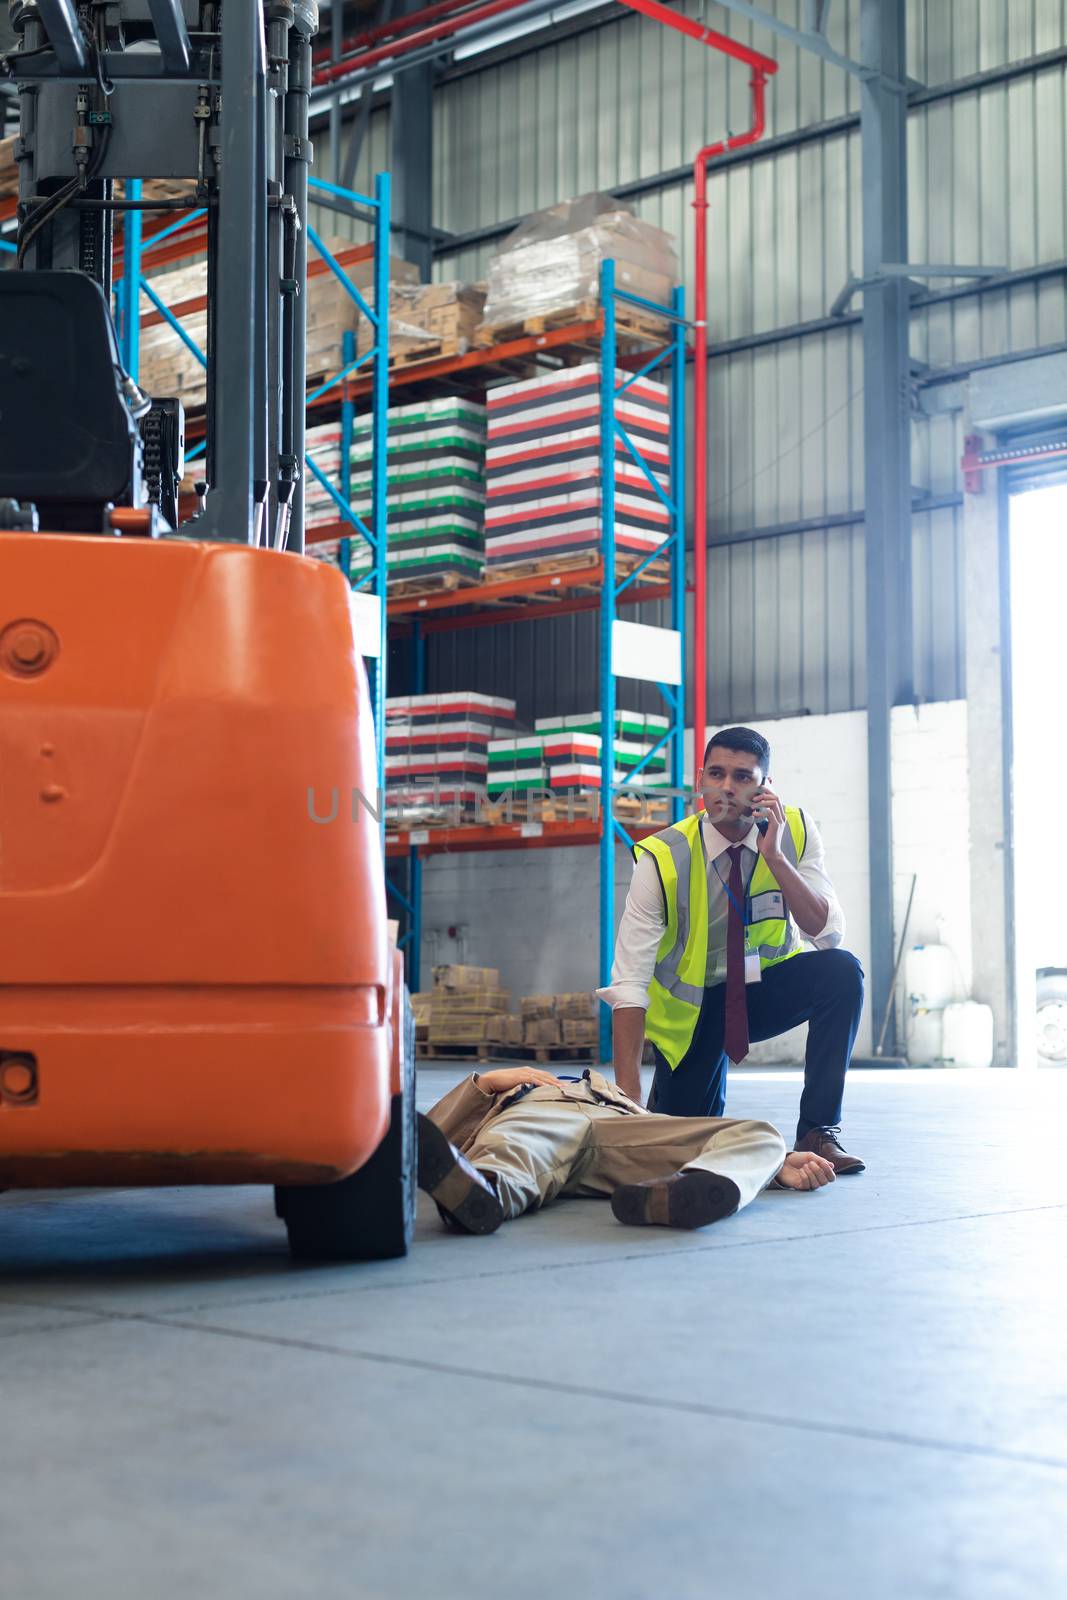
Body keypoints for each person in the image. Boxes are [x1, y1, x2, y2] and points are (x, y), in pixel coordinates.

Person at [597, 725, 866, 1174]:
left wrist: (776, 857)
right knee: (685, 1148)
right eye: (716, 774)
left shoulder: (796, 833)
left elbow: (826, 933)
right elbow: (629, 982)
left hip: (762, 995)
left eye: (743, 777)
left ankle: (819, 1130)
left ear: (766, 789)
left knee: (841, 971)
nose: (727, 787)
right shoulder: (663, 857)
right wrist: (628, 1101)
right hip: (693, 1014)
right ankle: (670, 1098)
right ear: (700, 780)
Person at [417, 1066, 835, 1235]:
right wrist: (491, 1081)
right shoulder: (517, 1093)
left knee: (761, 1132)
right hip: (539, 1116)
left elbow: (668, 1133)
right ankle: (481, 1194)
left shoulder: (607, 1090)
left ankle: (678, 1193)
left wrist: (776, 1168)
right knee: (513, 1148)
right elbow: (434, 1133)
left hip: (619, 1125)